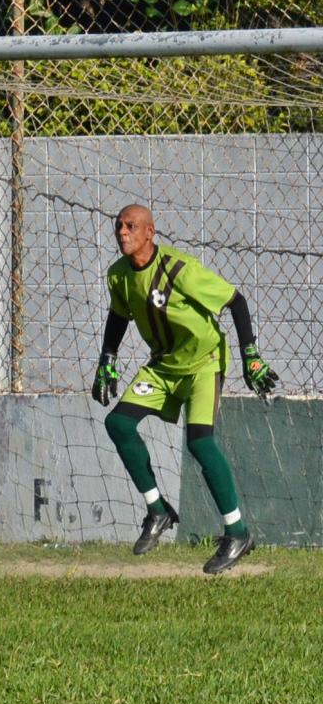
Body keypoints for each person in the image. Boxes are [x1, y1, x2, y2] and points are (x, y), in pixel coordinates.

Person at [92, 204, 278, 575]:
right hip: (163, 366)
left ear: (150, 232)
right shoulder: (118, 275)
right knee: (119, 425)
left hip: (203, 363)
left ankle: (237, 533)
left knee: (200, 442)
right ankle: (157, 510)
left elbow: (235, 301)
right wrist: (107, 359)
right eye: (119, 226)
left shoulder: (179, 270)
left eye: (131, 226)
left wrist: (251, 357)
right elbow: (118, 314)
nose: (122, 233)